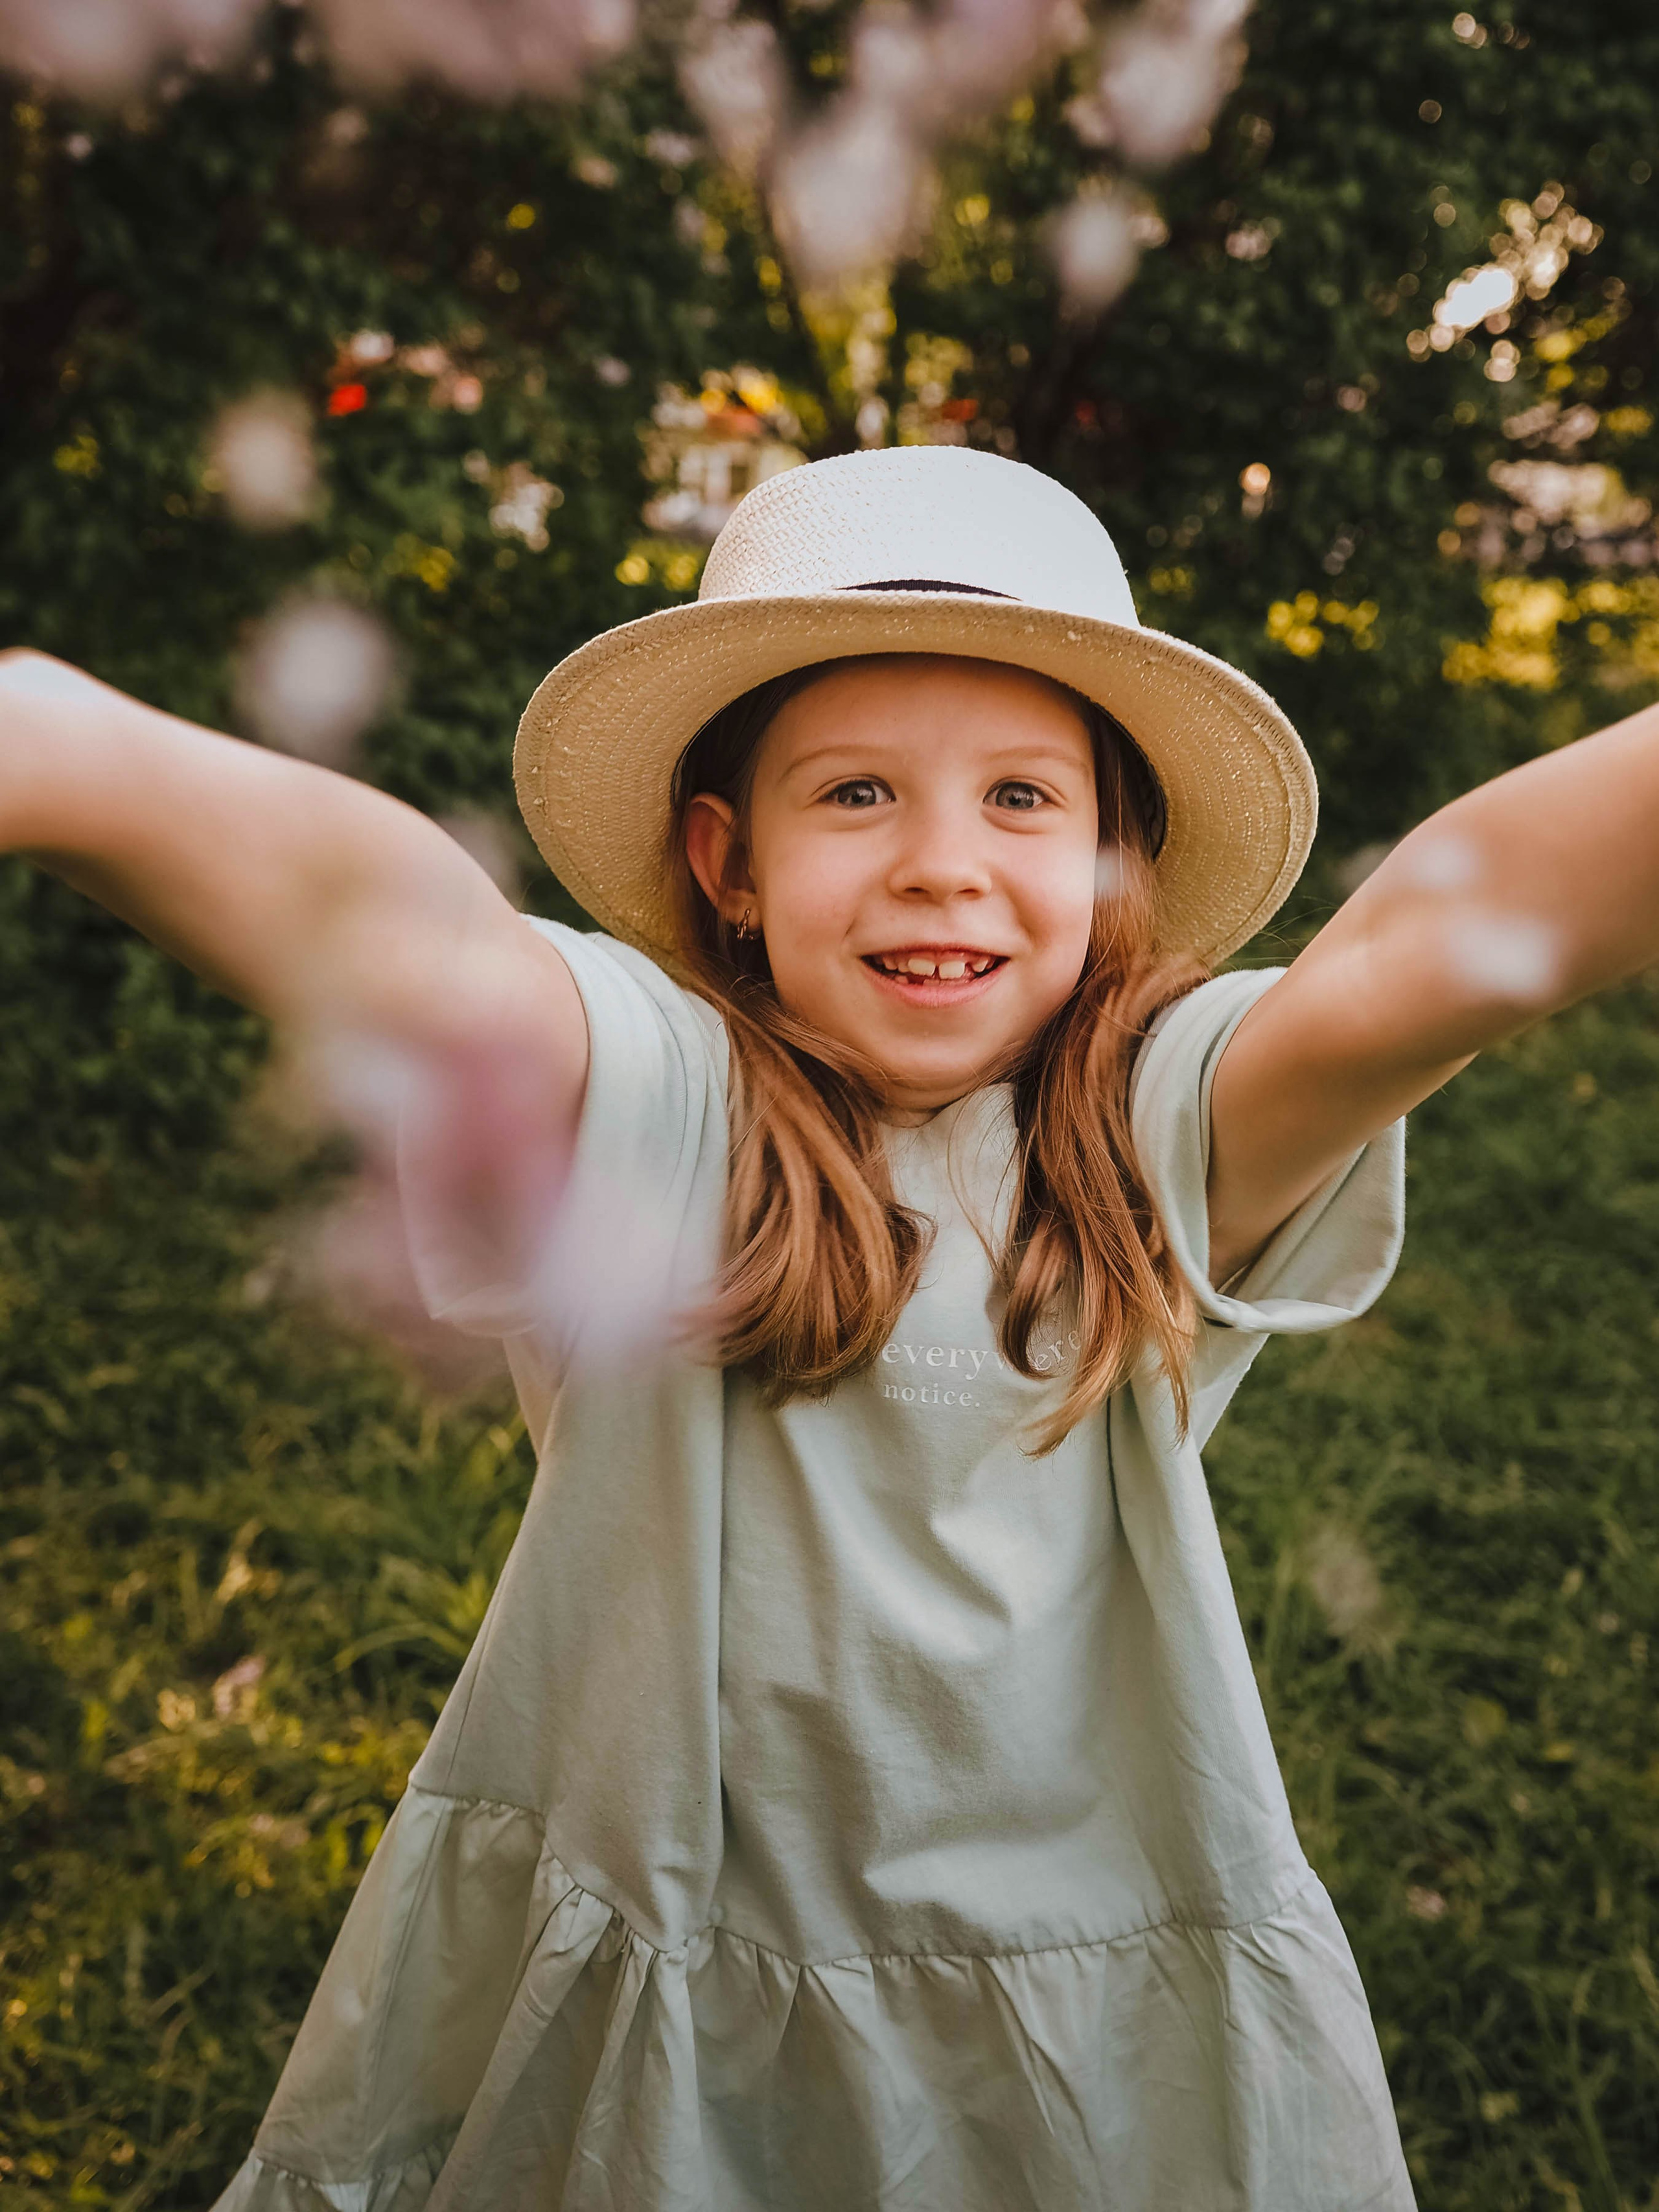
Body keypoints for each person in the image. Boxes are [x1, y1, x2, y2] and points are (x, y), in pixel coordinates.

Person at [6, 445, 1658, 2212]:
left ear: (1118, 866)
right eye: (857, 793)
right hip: (673, 1955)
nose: (943, 866)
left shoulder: (1163, 1124)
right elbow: (418, 937)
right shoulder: (653, 1093)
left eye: (1023, 800)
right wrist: (59, 749)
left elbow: (1452, 930)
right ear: (727, 861)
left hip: (1090, 1996)